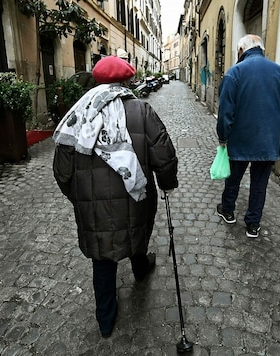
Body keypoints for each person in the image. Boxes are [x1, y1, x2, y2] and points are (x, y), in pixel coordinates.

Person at [52, 55, 178, 338]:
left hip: (93, 208)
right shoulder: (143, 111)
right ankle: (141, 268)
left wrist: (79, 198)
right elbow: (165, 156)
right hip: (136, 198)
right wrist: (168, 183)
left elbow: (61, 171)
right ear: (127, 80)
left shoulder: (79, 114)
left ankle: (106, 320)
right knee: (135, 233)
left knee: (102, 259)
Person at [215, 34, 280, 238]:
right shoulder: (279, 72)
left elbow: (225, 111)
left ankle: (228, 210)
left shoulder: (235, 73)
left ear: (242, 50)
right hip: (267, 142)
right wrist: (277, 133)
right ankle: (253, 224)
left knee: (233, 178)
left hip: (240, 140)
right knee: (259, 185)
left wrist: (223, 138)